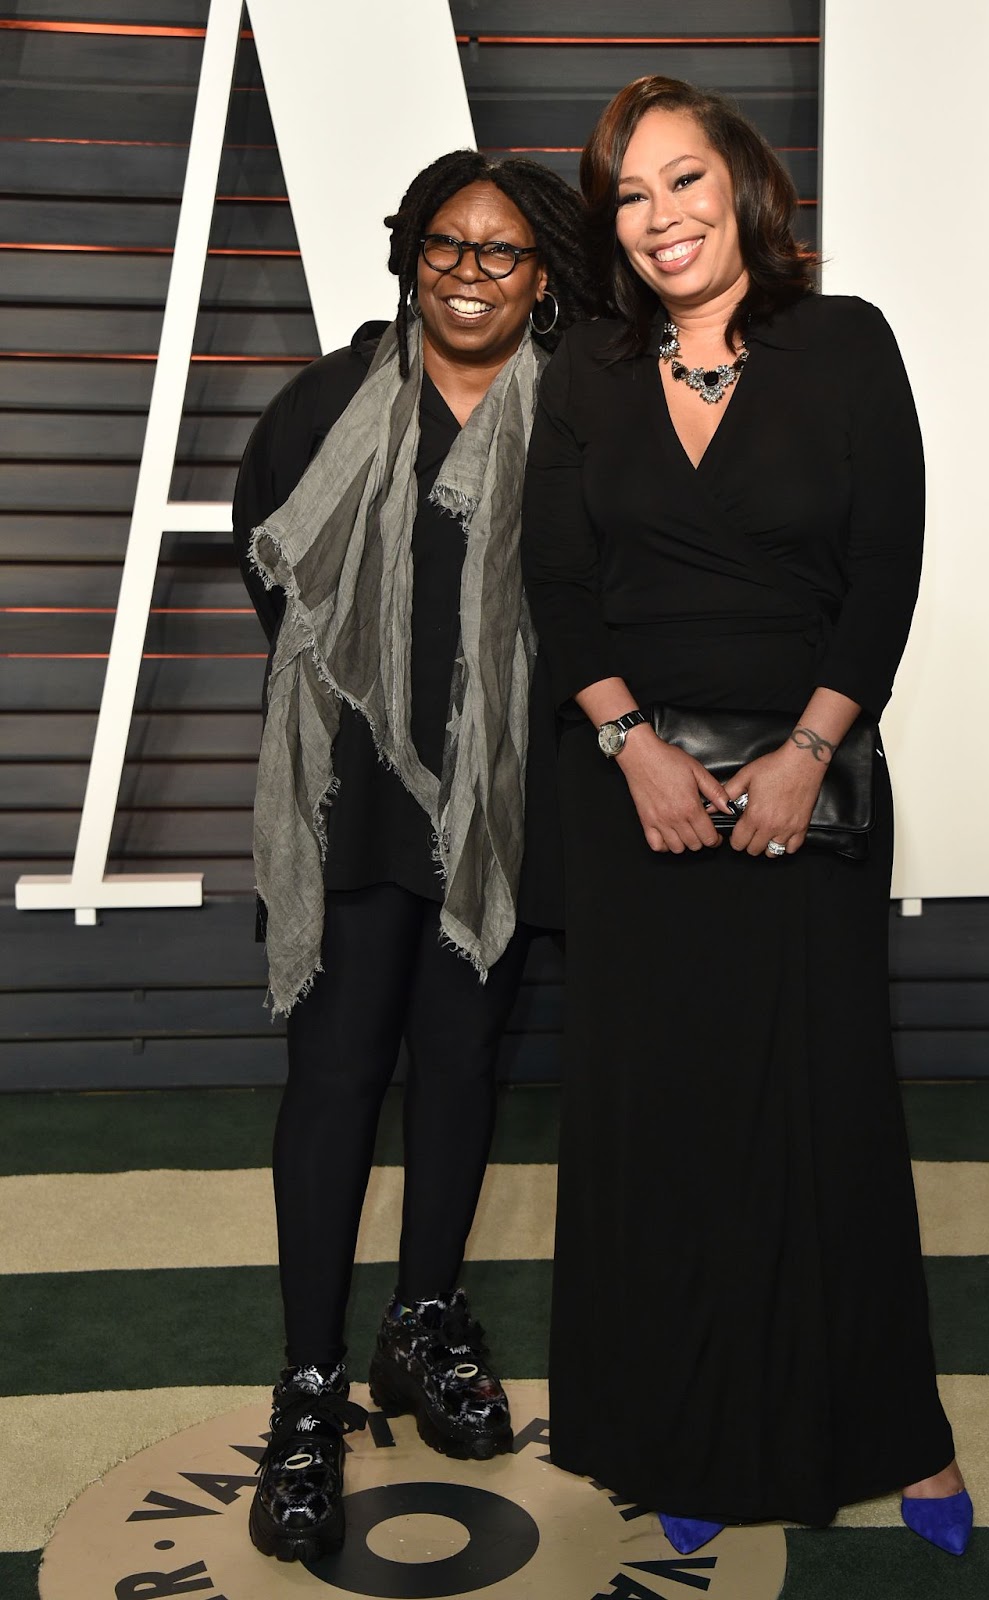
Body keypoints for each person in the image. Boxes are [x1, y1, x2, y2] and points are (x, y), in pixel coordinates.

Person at [521, 77, 972, 1561]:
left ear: (743, 186)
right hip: (632, 798)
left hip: (809, 787)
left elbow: (885, 571)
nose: (658, 217)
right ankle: (684, 1429)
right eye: (629, 196)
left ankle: (896, 1432)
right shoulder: (585, 365)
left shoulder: (841, 344)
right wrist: (632, 748)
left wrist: (804, 752)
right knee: (668, 1125)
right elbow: (559, 584)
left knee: (824, 1113)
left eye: (682, 180)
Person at [232, 149, 596, 1565]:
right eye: (445, 243)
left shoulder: (578, 418)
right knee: (333, 1080)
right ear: (407, 253)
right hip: (350, 809)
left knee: (462, 1066)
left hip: (503, 820)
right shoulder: (322, 402)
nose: (466, 271)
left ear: (545, 273)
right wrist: (381, 726)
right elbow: (279, 585)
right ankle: (312, 1392)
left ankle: (422, 1321)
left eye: (500, 251)